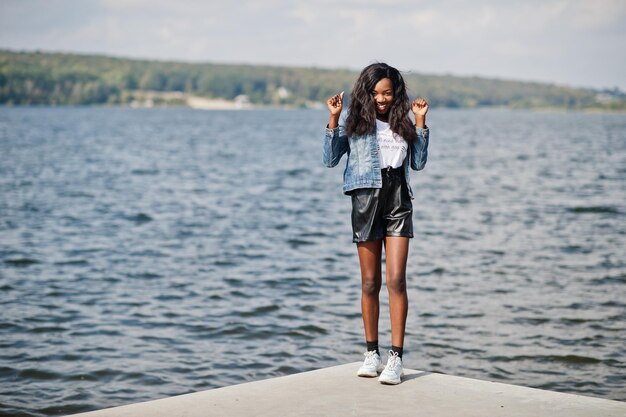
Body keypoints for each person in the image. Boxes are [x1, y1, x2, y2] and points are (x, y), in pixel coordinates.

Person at [323, 63, 429, 385]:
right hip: (366, 201)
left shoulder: (403, 124)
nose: (381, 99)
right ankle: (372, 353)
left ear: (395, 92)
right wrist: (334, 118)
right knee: (370, 282)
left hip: (398, 200)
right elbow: (329, 158)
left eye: (386, 92)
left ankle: (396, 357)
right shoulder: (355, 124)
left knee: (396, 280)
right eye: (375, 93)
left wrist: (421, 123)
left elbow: (419, 163)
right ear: (366, 93)